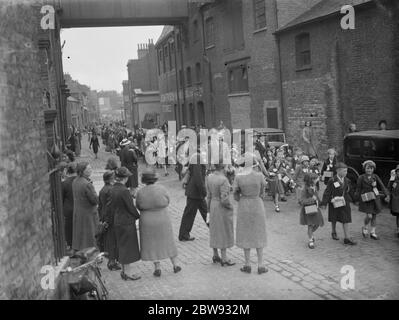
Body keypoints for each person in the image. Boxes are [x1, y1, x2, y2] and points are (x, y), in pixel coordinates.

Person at [136, 168, 181, 277]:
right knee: (168, 241)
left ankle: (157, 267)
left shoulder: (140, 192)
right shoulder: (162, 189)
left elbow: (138, 205)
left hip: (147, 219)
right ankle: (175, 264)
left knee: (152, 244)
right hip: (162, 217)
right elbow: (167, 201)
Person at [233, 153, 268, 275]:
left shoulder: (238, 177)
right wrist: (258, 195)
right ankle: (260, 264)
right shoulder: (259, 176)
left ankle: (247, 264)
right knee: (259, 232)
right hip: (257, 204)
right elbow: (263, 190)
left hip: (244, 205)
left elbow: (235, 193)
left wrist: (240, 198)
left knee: (245, 233)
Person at [110, 167, 141, 281]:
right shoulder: (124, 191)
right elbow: (130, 207)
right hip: (126, 221)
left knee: (121, 246)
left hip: (117, 219)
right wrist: (138, 216)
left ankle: (124, 271)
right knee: (127, 247)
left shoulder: (113, 188)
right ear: (125, 178)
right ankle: (128, 273)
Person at [206, 164, 235, 266]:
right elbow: (224, 199)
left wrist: (208, 209)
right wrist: (230, 207)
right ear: (223, 167)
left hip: (213, 205)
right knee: (223, 230)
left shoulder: (209, 177)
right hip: (221, 207)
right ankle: (224, 258)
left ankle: (215, 254)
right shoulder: (223, 180)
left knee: (214, 229)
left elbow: (208, 195)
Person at [321, 163, 356, 245]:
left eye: (346, 171)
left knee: (346, 218)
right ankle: (333, 231)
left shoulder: (347, 180)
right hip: (335, 201)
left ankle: (347, 238)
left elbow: (350, 191)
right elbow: (327, 192)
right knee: (334, 217)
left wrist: (355, 200)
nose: (346, 172)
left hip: (344, 201)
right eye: (344, 171)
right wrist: (324, 203)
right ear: (338, 171)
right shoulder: (332, 180)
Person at [178, 151, 209, 241]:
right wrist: (203, 191)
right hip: (195, 192)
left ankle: (184, 234)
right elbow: (198, 178)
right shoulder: (197, 158)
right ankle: (183, 234)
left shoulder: (196, 157)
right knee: (191, 214)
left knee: (203, 212)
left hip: (195, 192)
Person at [355, 160, 390, 240]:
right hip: (366, 199)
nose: (369, 170)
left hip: (375, 198)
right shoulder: (361, 177)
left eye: (371, 168)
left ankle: (373, 232)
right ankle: (365, 227)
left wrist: (387, 195)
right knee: (369, 216)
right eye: (368, 168)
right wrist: (356, 198)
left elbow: (382, 186)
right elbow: (358, 189)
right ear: (364, 168)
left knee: (374, 216)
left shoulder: (375, 177)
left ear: (373, 169)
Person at [72, 162, 99, 251]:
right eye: (88, 169)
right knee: (89, 234)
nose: (91, 170)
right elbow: (94, 200)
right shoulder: (87, 184)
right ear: (83, 171)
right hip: (88, 213)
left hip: (79, 211)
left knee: (80, 233)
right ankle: (90, 251)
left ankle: (80, 248)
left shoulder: (75, 181)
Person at [98, 171, 121, 271]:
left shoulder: (103, 189)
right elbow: (110, 207)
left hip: (104, 216)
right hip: (111, 218)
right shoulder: (111, 190)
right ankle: (112, 261)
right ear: (111, 179)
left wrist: (101, 218)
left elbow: (100, 206)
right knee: (112, 240)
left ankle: (112, 260)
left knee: (108, 239)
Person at [299, 173, 324, 249]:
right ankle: (310, 240)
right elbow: (302, 201)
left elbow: (316, 196)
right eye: (316, 178)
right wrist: (312, 199)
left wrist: (321, 203)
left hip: (315, 208)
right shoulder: (305, 189)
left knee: (317, 223)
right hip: (308, 208)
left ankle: (310, 233)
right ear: (312, 180)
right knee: (310, 224)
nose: (318, 179)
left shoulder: (314, 187)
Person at [62, 162, 77, 251]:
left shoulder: (65, 183)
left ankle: (71, 245)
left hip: (68, 209)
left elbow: (61, 198)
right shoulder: (82, 181)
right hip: (79, 207)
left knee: (69, 228)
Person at [388, 165, 399, 238]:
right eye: (398, 171)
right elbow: (389, 188)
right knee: (398, 215)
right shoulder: (394, 180)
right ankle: (398, 228)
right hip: (397, 201)